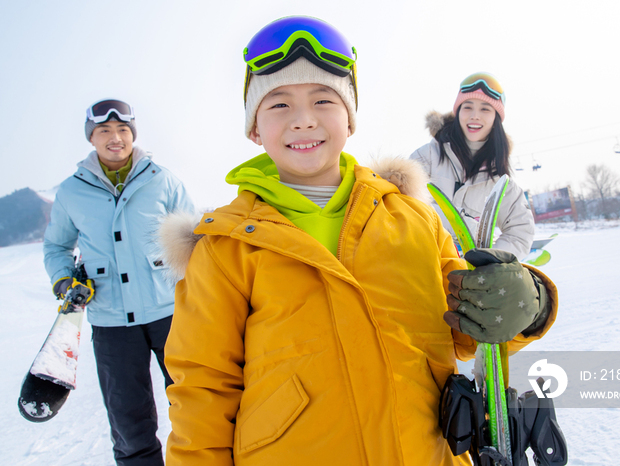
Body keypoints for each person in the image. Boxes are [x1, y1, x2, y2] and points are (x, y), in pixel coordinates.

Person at [161, 16, 557, 466]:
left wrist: (529, 301)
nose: (304, 119)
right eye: (279, 105)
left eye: (324, 99)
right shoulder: (227, 248)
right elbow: (203, 391)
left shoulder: (412, 220)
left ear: (350, 118)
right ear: (254, 128)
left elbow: (470, 329)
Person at [43, 98, 195, 466]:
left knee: (195, 402)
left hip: (170, 313)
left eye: (123, 130)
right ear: (92, 139)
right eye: (105, 131)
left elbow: (195, 239)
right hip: (112, 322)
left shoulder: (162, 179)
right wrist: (65, 281)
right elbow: (57, 246)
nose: (116, 138)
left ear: (133, 135)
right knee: (129, 419)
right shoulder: (71, 191)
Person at [410, 73, 535, 260]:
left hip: (471, 282)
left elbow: (520, 229)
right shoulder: (427, 157)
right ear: (458, 112)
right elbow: (402, 206)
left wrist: (493, 261)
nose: (475, 116)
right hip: (423, 268)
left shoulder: (500, 179)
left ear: (496, 119)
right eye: (467, 107)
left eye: (485, 109)